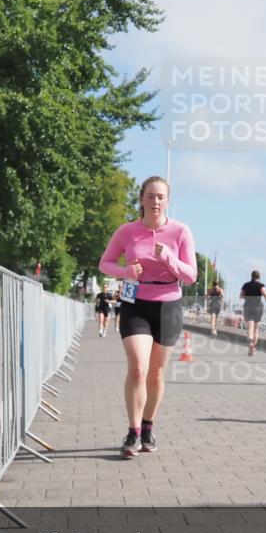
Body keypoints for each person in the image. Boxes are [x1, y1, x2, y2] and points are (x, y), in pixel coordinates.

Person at [99, 176, 197, 459]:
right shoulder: (127, 231)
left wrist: (169, 259)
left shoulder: (180, 231)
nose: (155, 201)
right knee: (138, 368)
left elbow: (191, 275)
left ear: (168, 201)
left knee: (156, 373)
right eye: (151, 196)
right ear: (141, 199)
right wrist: (125, 272)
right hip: (136, 303)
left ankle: (148, 427)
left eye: (161, 196)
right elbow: (105, 263)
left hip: (168, 305)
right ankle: (132, 432)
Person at [239, 271, 266, 356]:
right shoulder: (261, 285)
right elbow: (265, 293)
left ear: (251, 276)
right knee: (256, 328)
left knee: (250, 326)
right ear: (259, 277)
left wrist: (247, 295)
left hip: (248, 306)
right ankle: (253, 347)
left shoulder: (246, 285)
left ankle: (250, 342)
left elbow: (241, 296)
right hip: (258, 307)